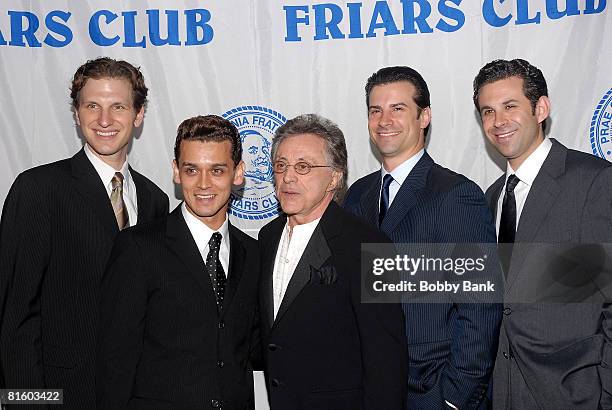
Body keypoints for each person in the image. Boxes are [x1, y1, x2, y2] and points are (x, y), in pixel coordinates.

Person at [0, 57, 168, 409]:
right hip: (62, 397)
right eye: (92, 106)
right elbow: (15, 316)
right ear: (77, 115)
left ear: (138, 116)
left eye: (118, 106)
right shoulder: (38, 189)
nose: (104, 120)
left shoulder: (155, 200)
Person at [344, 66, 502, 409]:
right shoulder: (357, 195)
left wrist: (455, 399)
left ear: (424, 116)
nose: (384, 120)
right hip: (369, 390)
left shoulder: (456, 194)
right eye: (375, 110)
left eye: (398, 108)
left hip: (433, 393)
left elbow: (480, 307)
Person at [473, 58, 612, 409]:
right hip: (505, 393)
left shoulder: (593, 181)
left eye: (510, 106)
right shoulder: (491, 198)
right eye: (487, 111)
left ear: (541, 108)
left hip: (575, 395)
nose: (498, 121)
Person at [97, 115, 260, 409]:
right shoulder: (138, 247)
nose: (203, 184)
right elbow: (115, 359)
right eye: (192, 170)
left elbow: (255, 347)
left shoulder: (253, 254)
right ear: (176, 171)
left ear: (238, 173)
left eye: (217, 170)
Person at [258, 114, 406, 409]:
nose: (288, 177)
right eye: (281, 165)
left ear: (335, 177)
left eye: (303, 167)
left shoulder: (370, 246)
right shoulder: (267, 237)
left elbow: (387, 362)